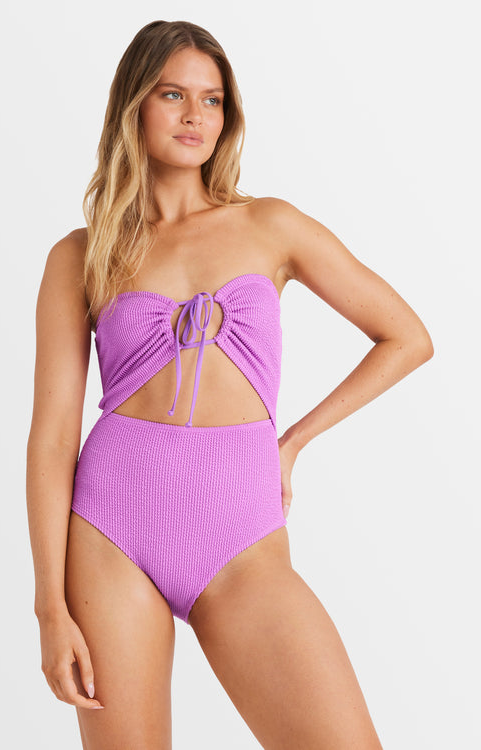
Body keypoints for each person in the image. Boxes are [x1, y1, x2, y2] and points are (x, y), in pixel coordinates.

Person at [26, 19, 433, 749]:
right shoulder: (82, 254)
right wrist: (49, 608)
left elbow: (407, 337)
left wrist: (292, 443)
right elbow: (54, 438)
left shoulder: (270, 226)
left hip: (241, 531)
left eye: (211, 100)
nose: (194, 115)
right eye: (172, 94)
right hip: (111, 532)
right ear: (133, 105)